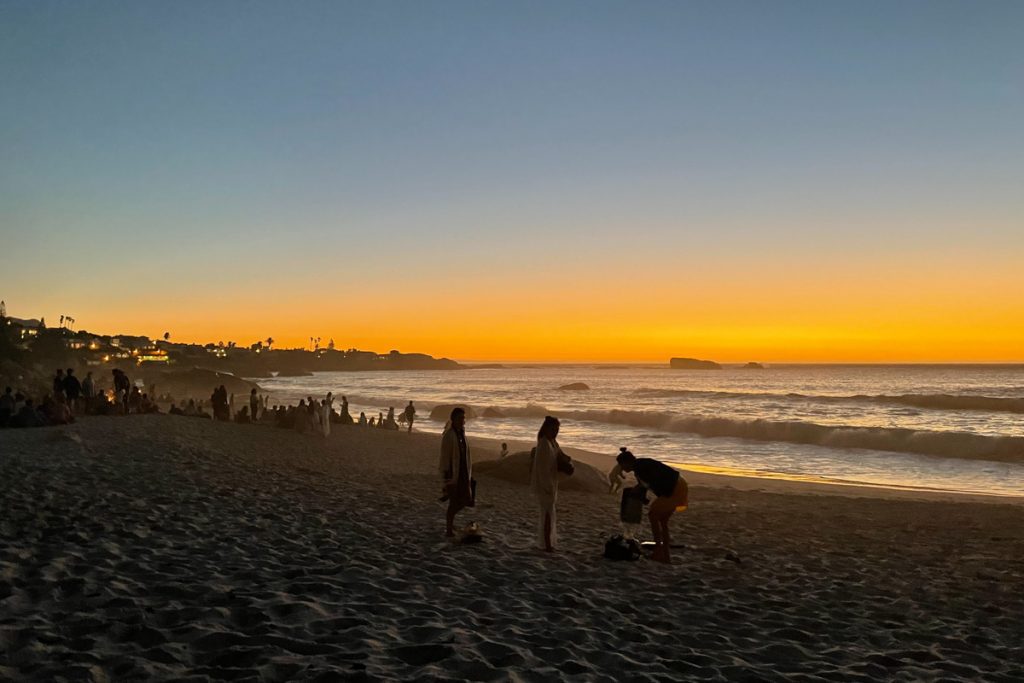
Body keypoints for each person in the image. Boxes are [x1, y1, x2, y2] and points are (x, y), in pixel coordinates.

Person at [615, 449, 689, 564]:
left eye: (622, 465)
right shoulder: (640, 466)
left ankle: (659, 552)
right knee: (663, 521)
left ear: (627, 462)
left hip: (674, 488)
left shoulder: (640, 467)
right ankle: (665, 555)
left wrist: (640, 490)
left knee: (653, 516)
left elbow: (649, 482)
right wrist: (641, 493)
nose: (622, 468)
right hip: (680, 484)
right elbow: (647, 484)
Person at [531, 416, 566, 551]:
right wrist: (547, 487)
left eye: (557, 429)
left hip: (551, 482)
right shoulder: (544, 444)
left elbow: (559, 456)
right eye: (553, 429)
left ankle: (548, 542)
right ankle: (547, 544)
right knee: (547, 513)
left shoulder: (552, 442)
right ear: (546, 429)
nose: (556, 432)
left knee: (549, 513)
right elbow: (542, 469)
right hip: (545, 484)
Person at [439, 407, 473, 537]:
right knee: (454, 502)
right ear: (453, 419)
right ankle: (448, 528)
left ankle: (450, 522)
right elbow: (445, 457)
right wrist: (446, 476)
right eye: (460, 418)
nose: (462, 420)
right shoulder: (449, 435)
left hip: (463, 472)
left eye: (464, 418)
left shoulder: (462, 434)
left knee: (466, 500)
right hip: (453, 474)